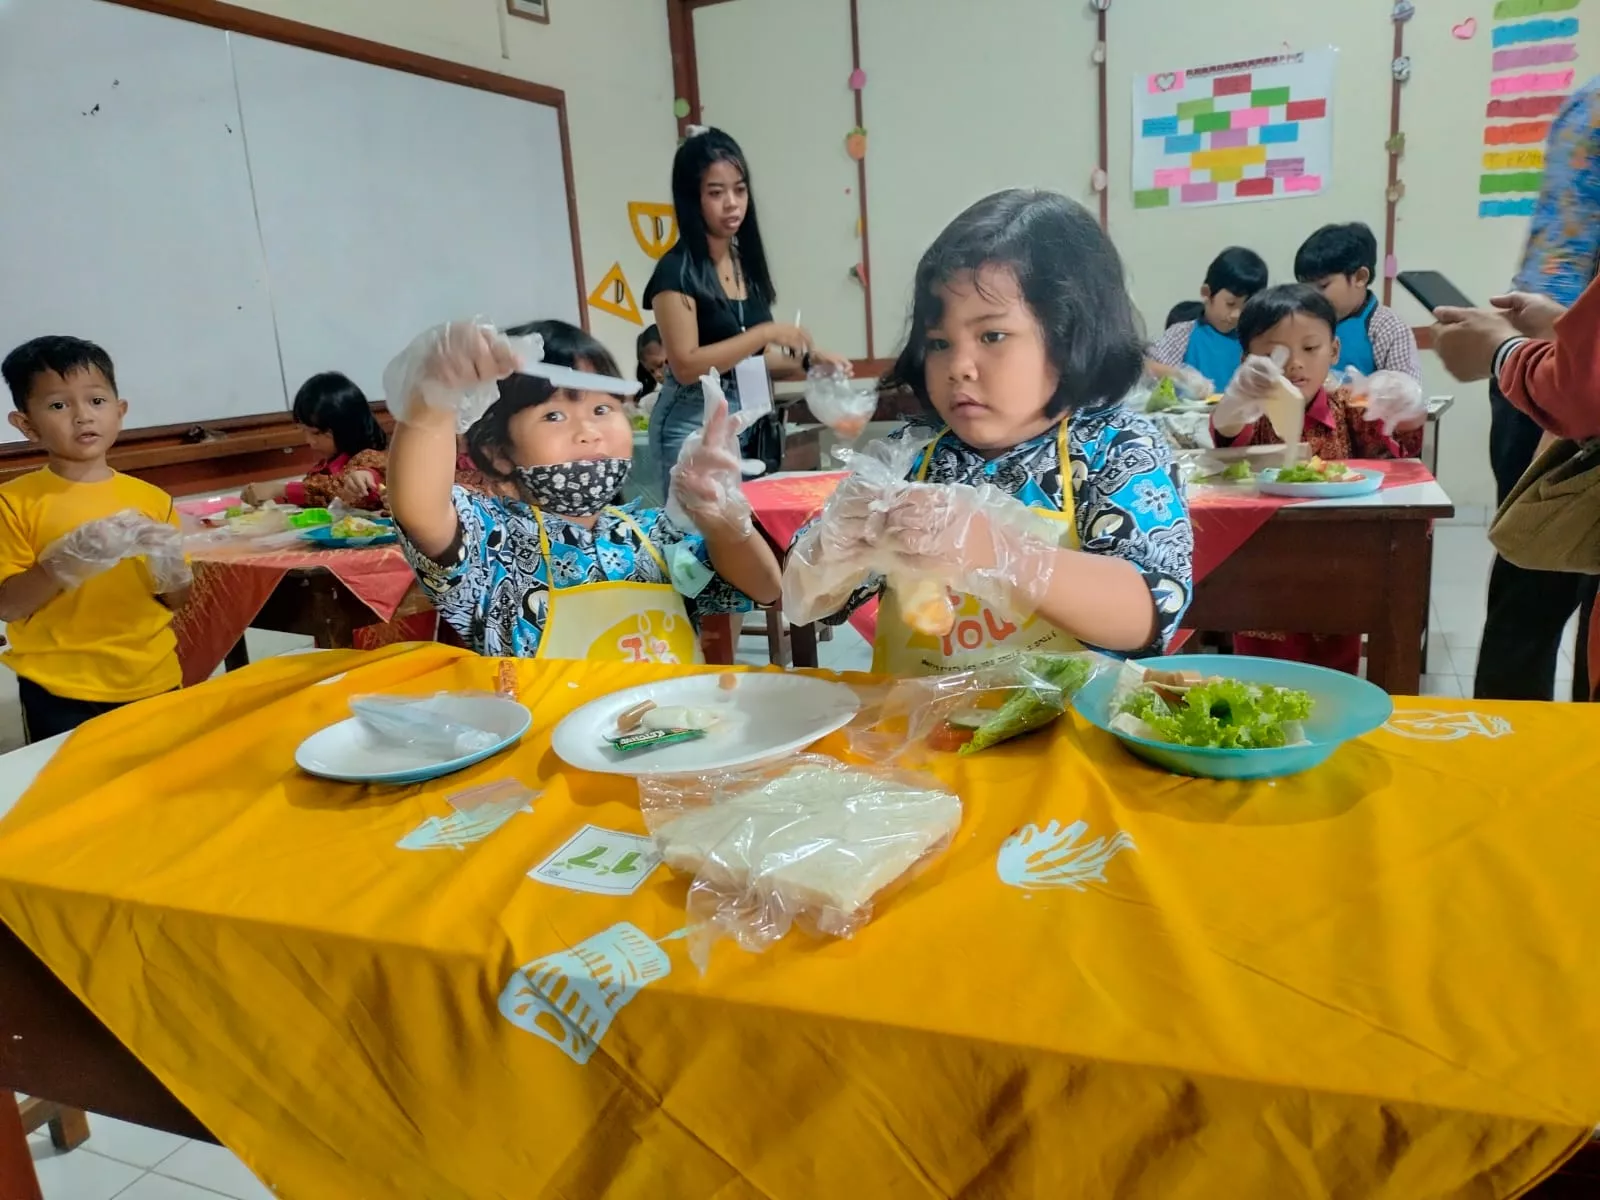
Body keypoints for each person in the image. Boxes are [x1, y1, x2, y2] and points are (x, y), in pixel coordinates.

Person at [782, 189, 1193, 677]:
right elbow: (816, 600)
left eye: (992, 336)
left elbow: (1149, 610)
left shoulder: (1115, 447)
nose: (958, 367)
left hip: (1066, 739)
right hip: (920, 739)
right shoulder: (912, 456)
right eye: (939, 342)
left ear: (1069, 334)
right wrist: (833, 547)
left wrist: (1005, 554)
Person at [383, 317, 779, 662]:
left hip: (675, 735)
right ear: (498, 452)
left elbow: (764, 587)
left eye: (602, 410)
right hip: (550, 743)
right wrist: (435, 392)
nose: (588, 431)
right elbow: (420, 509)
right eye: (554, 415)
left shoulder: (658, 535)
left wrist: (721, 517)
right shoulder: (492, 543)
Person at [1211, 285, 1426, 673]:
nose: (1295, 364)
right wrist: (1236, 400)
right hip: (1262, 577)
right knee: (1261, 682)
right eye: (1275, 353)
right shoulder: (1253, 410)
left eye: (1310, 349)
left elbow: (1396, 452)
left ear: (1335, 351)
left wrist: (1408, 405)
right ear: (1247, 360)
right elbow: (1226, 434)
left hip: (1339, 570)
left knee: (1335, 679)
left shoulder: (1349, 407)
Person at [1468, 76, 1600, 702]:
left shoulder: (1590, 104)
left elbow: (1579, 386)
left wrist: (1501, 350)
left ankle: (1513, 765)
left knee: (1530, 585)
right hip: (1560, 352)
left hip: (1556, 384)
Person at [0, 335, 189, 742]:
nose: (83, 416)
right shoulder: (12, 503)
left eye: (96, 401)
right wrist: (64, 562)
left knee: (162, 791)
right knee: (82, 799)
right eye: (58, 405)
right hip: (60, 689)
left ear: (120, 412)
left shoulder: (152, 499)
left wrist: (168, 563)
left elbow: (177, 599)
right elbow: (9, 605)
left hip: (154, 675)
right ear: (27, 425)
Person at [643, 127, 851, 491]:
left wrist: (810, 361)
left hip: (743, 423)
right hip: (690, 425)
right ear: (692, 199)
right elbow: (687, 365)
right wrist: (765, 333)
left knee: (740, 533)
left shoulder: (744, 264)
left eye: (739, 190)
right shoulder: (675, 271)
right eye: (716, 193)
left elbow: (748, 360)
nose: (732, 203)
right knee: (692, 539)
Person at [1433, 282, 1600, 697]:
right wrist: (1566, 325)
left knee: (1525, 603)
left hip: (1556, 400)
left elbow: (1584, 390)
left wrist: (1502, 351)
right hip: (1553, 391)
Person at [1294, 222, 1421, 381]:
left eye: (1322, 286)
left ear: (1360, 277)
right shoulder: (1302, 322)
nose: (1312, 297)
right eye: (1306, 288)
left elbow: (1407, 393)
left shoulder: (1386, 327)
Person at [242, 372, 388, 510]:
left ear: (347, 427)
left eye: (316, 433)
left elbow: (336, 490)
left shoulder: (371, 458)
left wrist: (279, 490)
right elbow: (311, 497)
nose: (310, 441)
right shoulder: (323, 468)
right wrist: (268, 497)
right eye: (304, 431)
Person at [1146, 246, 1269, 396]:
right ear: (1206, 293)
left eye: (1246, 307)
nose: (1237, 315)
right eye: (1230, 304)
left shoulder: (1253, 339)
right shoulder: (1182, 334)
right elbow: (1145, 367)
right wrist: (1180, 376)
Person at [635, 324, 666, 414]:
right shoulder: (649, 403)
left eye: (660, 365)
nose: (657, 375)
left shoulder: (706, 390)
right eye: (651, 371)